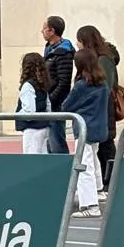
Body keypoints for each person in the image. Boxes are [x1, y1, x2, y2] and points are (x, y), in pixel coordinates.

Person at [62, 49, 110, 215]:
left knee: (84, 166)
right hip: (99, 128)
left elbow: (66, 106)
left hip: (84, 129)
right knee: (93, 160)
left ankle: (91, 205)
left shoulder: (81, 86)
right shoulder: (103, 84)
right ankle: (98, 190)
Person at [76, 25, 121, 189]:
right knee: (102, 146)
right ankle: (105, 182)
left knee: (106, 145)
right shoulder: (100, 58)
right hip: (100, 107)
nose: (77, 44)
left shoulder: (103, 60)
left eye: (79, 41)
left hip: (103, 107)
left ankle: (112, 181)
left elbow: (104, 86)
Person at [41, 17, 75, 154]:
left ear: (52, 31)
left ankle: (62, 164)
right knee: (49, 142)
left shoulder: (63, 52)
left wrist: (51, 100)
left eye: (44, 28)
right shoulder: (49, 49)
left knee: (56, 141)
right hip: (49, 99)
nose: (42, 31)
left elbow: (64, 82)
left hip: (55, 103)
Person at [13, 52, 51, 154]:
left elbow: (29, 111)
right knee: (43, 155)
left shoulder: (28, 86)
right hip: (44, 126)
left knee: (31, 157)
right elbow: (48, 105)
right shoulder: (42, 84)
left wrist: (17, 115)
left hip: (32, 128)